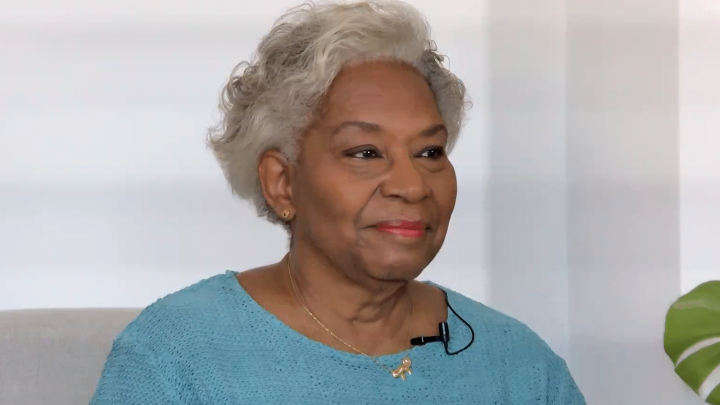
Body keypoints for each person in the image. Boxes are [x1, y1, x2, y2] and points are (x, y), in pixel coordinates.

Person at [89, 1, 585, 404]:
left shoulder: (518, 367)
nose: (412, 186)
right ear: (282, 183)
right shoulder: (178, 357)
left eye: (430, 152)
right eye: (365, 152)